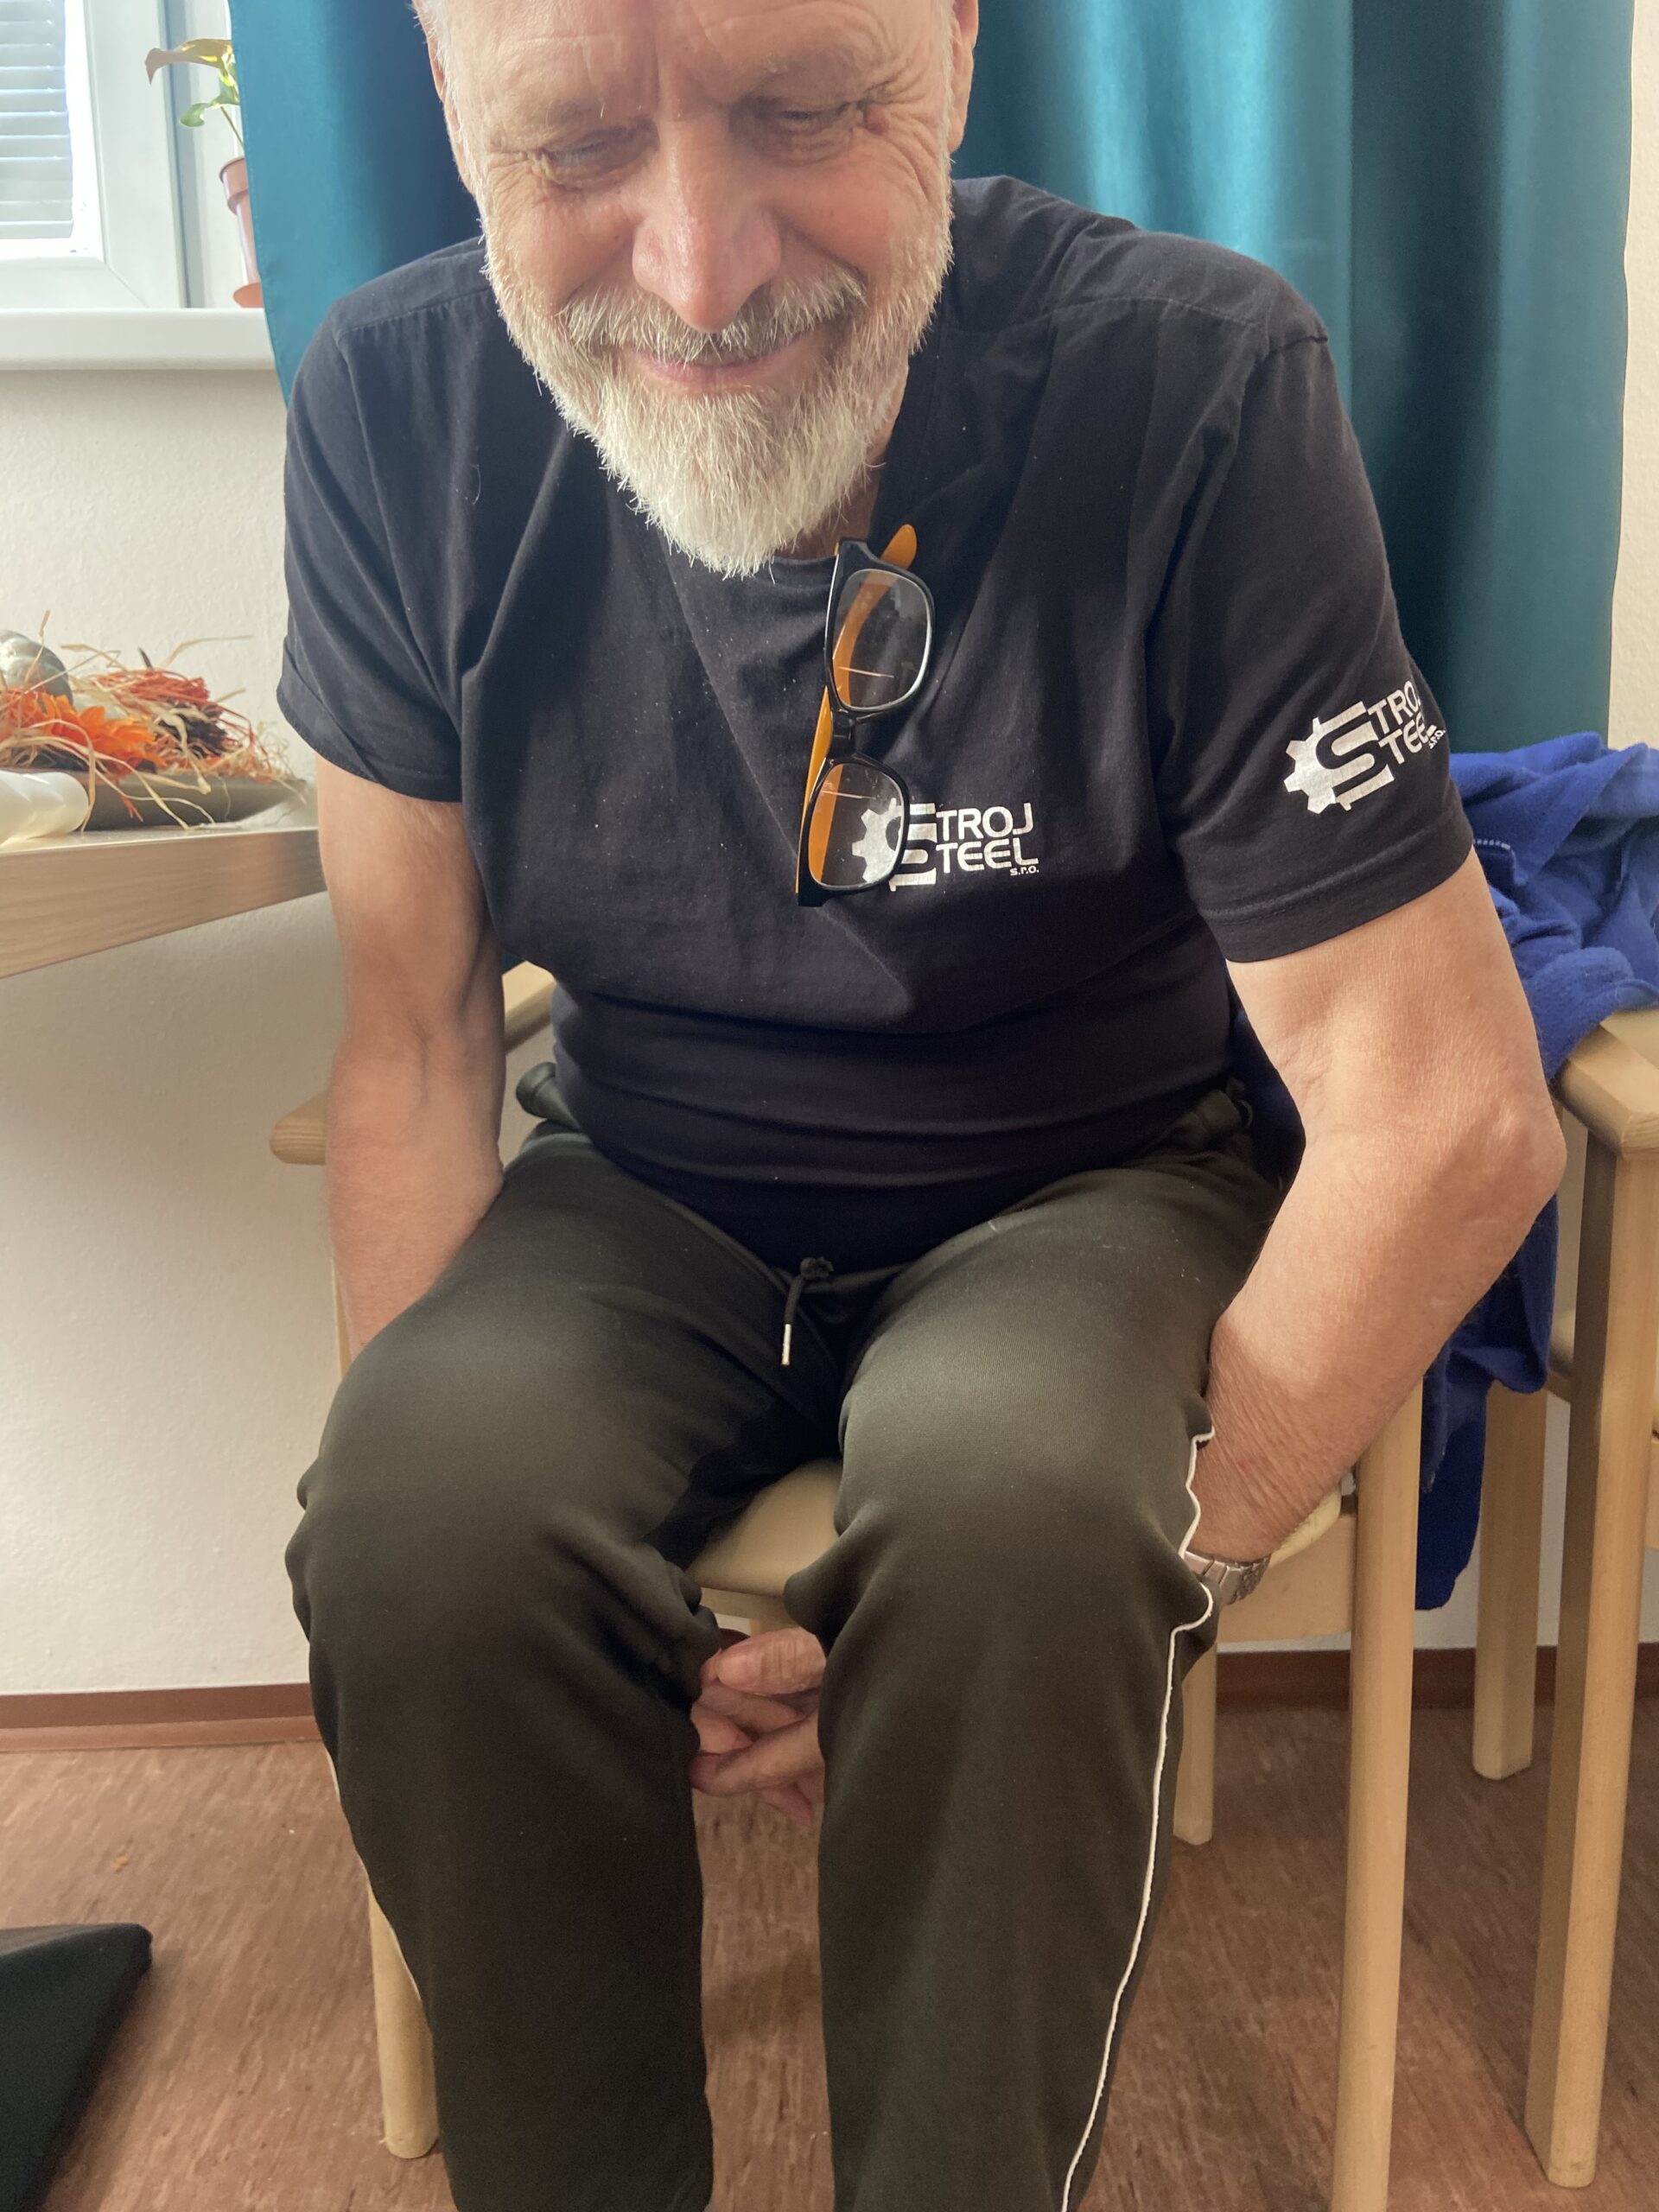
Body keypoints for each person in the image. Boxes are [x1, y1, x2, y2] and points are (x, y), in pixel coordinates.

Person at [277, 3, 1565, 2208]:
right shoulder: (397, 402)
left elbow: (1449, 1113)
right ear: (449, 103)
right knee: (416, 1517)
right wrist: (506, 1570)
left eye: (802, 109)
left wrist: (1150, 1577)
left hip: (1090, 1171)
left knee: (1024, 1511)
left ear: (958, 48)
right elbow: (411, 1041)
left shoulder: (1194, 384)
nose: (697, 269)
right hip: (642, 1181)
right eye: (571, 147)